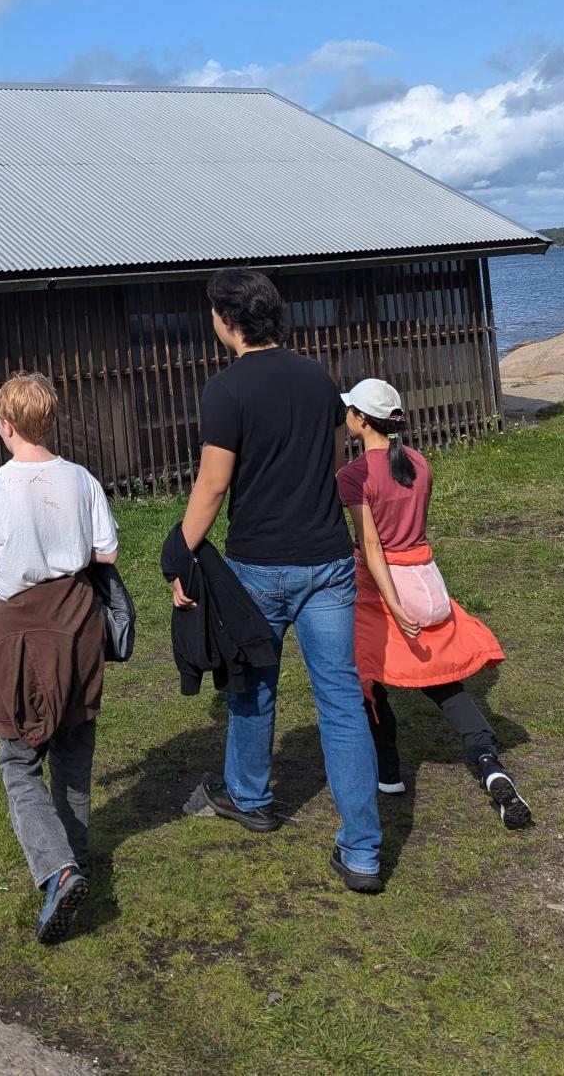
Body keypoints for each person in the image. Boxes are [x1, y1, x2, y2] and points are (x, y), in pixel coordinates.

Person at [170, 268, 384, 893]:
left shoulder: (225, 390)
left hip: (259, 565)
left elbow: (212, 486)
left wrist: (178, 552)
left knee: (252, 684)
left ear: (229, 321)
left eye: (214, 313)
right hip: (327, 560)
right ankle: (364, 851)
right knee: (342, 701)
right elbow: (331, 467)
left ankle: (250, 796)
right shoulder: (320, 380)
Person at [0, 372, 119, 945]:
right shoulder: (82, 480)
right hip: (79, 623)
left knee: (19, 760)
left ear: (5, 425)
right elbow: (107, 551)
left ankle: (58, 869)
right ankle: (76, 863)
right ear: (49, 422)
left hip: (21, 630)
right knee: (73, 752)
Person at [338, 379, 532, 829]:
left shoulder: (352, 476)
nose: (345, 415)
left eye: (349, 409)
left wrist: (392, 604)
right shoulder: (419, 463)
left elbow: (371, 544)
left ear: (361, 419)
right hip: (426, 581)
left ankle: (388, 774)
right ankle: (489, 763)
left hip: (380, 587)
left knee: (368, 677)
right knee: (444, 681)